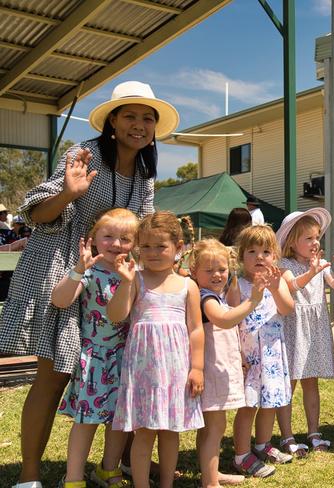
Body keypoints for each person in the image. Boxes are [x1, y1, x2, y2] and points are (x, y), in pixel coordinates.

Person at [0, 80, 178, 488]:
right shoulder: (87, 154)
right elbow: (36, 214)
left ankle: (116, 462)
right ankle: (29, 475)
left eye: (147, 118)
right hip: (65, 266)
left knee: (128, 367)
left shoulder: (146, 173)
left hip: (114, 280)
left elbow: (146, 225)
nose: (139, 124)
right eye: (130, 115)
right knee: (54, 372)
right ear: (112, 121)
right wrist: (67, 192)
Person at [109, 211, 205, 488]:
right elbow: (116, 314)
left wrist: (197, 368)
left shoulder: (188, 286)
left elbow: (196, 329)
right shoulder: (135, 279)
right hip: (143, 371)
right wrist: (125, 282)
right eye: (146, 246)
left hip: (176, 369)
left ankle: (166, 483)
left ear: (178, 248)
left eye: (160, 246)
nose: (152, 252)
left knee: (170, 431)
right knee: (145, 431)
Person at [51, 208, 139, 488]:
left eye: (125, 238)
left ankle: (108, 469)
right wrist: (79, 269)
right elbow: (60, 300)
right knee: (85, 421)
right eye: (108, 236)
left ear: (135, 243)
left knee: (119, 421)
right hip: (96, 358)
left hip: (127, 357)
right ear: (93, 238)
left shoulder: (136, 273)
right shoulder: (90, 271)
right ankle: (74, 477)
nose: (116, 244)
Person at [274, 209, 334, 457]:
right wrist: (312, 271)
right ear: (291, 242)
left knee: (312, 382)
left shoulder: (318, 263)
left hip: (315, 326)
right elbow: (292, 285)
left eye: (317, 236)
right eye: (308, 238)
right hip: (294, 327)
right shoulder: (284, 264)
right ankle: (287, 435)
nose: (315, 242)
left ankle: (313, 431)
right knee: (289, 384)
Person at [190, 238, 258, 488]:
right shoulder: (206, 297)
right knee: (215, 427)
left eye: (221, 269)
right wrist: (253, 302)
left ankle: (211, 472)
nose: (217, 274)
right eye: (209, 270)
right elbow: (224, 321)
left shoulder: (215, 294)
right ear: (194, 271)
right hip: (212, 369)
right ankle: (210, 482)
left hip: (218, 367)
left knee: (210, 427)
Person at [231, 225, 294, 477]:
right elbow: (233, 320)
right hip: (250, 357)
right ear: (241, 256)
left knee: (270, 403)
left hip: (273, 354)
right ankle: (241, 455)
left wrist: (277, 287)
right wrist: (237, 353)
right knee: (248, 406)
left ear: (275, 257)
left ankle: (262, 444)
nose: (259, 257)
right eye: (252, 251)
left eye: (266, 251)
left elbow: (287, 309)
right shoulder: (237, 284)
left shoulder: (278, 282)